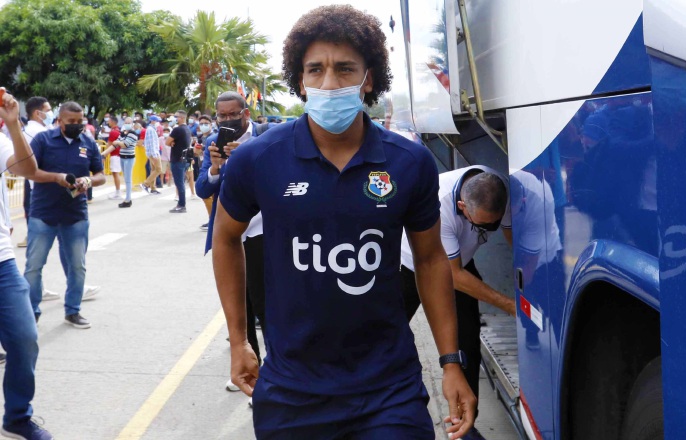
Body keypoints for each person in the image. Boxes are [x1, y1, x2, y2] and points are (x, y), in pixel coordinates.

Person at [212, 6, 476, 439]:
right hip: (291, 392)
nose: (329, 83)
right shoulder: (257, 159)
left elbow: (430, 260)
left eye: (344, 68)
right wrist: (239, 339)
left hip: (388, 390)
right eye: (315, 69)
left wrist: (451, 362)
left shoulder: (409, 162)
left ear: (367, 78)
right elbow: (225, 238)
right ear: (300, 80)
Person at [400, 166, 516, 440]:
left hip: (459, 262)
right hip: (410, 265)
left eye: (493, 225)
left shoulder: (498, 191)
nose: (489, 231)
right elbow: (451, 276)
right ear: (462, 206)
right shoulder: (437, 204)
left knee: (467, 342)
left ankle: (464, 427)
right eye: (482, 226)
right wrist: (508, 304)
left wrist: (531, 278)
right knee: (391, 338)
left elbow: (515, 238)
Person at [196, 92, 263, 393]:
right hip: (232, 235)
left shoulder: (266, 137)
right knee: (239, 306)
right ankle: (249, 366)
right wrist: (214, 168)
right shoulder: (214, 142)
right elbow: (201, 188)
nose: (226, 120)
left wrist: (246, 159)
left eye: (232, 114)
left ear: (245, 113)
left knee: (268, 305)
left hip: (266, 232)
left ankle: (272, 374)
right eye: (221, 116)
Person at [0, 88, 54, 440]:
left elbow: (28, 170)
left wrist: (13, 124)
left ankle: (17, 416)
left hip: (2, 261)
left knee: (24, 338)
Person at [24, 101, 106, 329]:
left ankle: (73, 311)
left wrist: (88, 181)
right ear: (59, 120)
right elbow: (31, 172)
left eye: (80, 122)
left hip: (75, 214)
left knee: (77, 266)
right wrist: (56, 178)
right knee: (34, 266)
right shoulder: (43, 140)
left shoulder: (88, 142)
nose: (76, 125)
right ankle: (32, 312)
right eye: (71, 122)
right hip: (43, 212)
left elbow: (101, 175)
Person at [17, 97, 52, 250]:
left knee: (32, 208)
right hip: (37, 180)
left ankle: (35, 235)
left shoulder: (38, 131)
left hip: (36, 179)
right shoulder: (35, 132)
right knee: (33, 209)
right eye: (48, 110)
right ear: (38, 113)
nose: (51, 114)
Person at [165, 110, 190, 213]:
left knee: (179, 183)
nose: (175, 118)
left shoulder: (177, 130)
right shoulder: (187, 129)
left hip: (177, 159)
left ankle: (181, 204)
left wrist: (171, 142)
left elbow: (167, 142)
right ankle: (181, 203)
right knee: (181, 182)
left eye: (177, 117)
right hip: (184, 159)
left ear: (182, 118)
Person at [111, 118, 138, 208]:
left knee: (128, 179)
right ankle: (127, 199)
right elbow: (115, 145)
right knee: (125, 178)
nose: (127, 124)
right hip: (122, 157)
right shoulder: (122, 133)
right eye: (126, 122)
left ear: (132, 124)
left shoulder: (132, 134)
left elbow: (124, 144)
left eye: (129, 123)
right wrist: (104, 153)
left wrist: (118, 142)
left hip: (129, 158)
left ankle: (128, 199)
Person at [140, 115, 162, 195]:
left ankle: (153, 188)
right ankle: (146, 183)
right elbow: (151, 143)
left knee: (153, 170)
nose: (158, 123)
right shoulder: (151, 130)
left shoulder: (151, 129)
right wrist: (154, 154)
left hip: (152, 153)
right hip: (154, 153)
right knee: (158, 169)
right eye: (157, 121)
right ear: (152, 121)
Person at [102, 117, 122, 199]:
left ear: (113, 122)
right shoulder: (118, 130)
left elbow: (109, 144)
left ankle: (118, 192)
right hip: (118, 154)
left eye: (109, 121)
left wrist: (104, 154)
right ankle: (117, 192)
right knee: (115, 173)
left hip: (115, 155)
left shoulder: (113, 132)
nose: (108, 122)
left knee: (115, 173)